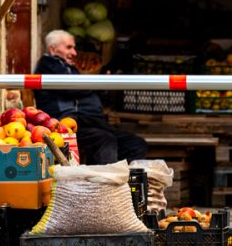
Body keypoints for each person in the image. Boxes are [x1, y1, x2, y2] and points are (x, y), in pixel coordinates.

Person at [33, 28, 147, 166]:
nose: (74, 53)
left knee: (135, 143)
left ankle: (122, 182)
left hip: (90, 121)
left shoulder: (68, 68)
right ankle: (105, 183)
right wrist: (100, 83)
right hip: (67, 125)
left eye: (74, 48)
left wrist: (103, 85)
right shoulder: (48, 65)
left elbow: (84, 90)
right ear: (52, 49)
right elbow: (72, 88)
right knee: (104, 139)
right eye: (69, 47)